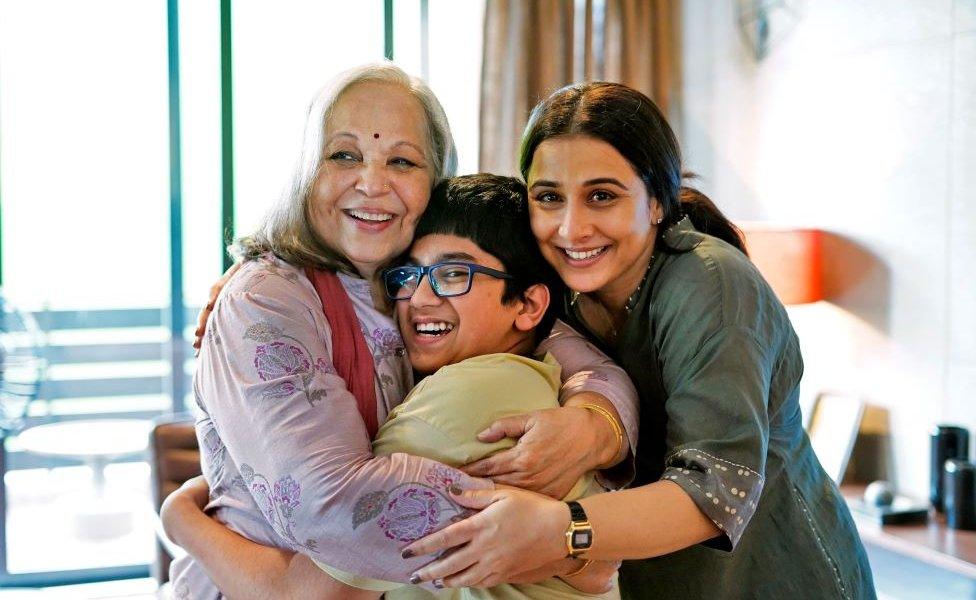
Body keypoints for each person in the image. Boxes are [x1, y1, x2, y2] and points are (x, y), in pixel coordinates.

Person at [166, 65, 639, 600]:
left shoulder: (407, 284)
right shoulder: (269, 298)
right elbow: (331, 507)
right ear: (307, 170)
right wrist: (573, 542)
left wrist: (595, 426)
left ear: (434, 183)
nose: (372, 183)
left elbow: (574, 353)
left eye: (401, 161)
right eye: (343, 155)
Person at [399, 82, 876, 599]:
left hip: (775, 576)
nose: (571, 227)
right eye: (549, 198)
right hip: (654, 578)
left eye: (601, 196)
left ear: (655, 202)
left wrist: (562, 528)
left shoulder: (711, 286)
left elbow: (718, 491)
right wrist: (593, 417)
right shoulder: (559, 286)